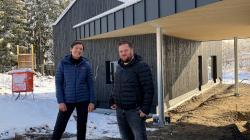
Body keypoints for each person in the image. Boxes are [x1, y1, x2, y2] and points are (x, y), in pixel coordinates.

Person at [109, 41, 154, 140]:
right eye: (121, 51)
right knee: (125, 137)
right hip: (120, 111)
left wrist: (145, 109)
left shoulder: (141, 66)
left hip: (135, 112)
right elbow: (115, 85)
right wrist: (113, 100)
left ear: (132, 50)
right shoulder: (119, 67)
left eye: (126, 50)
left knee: (139, 138)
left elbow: (149, 89)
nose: (123, 53)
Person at [52, 41, 95, 140]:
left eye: (81, 49)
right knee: (59, 126)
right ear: (71, 49)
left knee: (81, 127)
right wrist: (61, 101)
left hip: (83, 100)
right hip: (67, 100)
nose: (78, 50)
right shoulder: (63, 63)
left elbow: (91, 83)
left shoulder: (86, 65)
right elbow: (58, 83)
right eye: (76, 48)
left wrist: (92, 101)